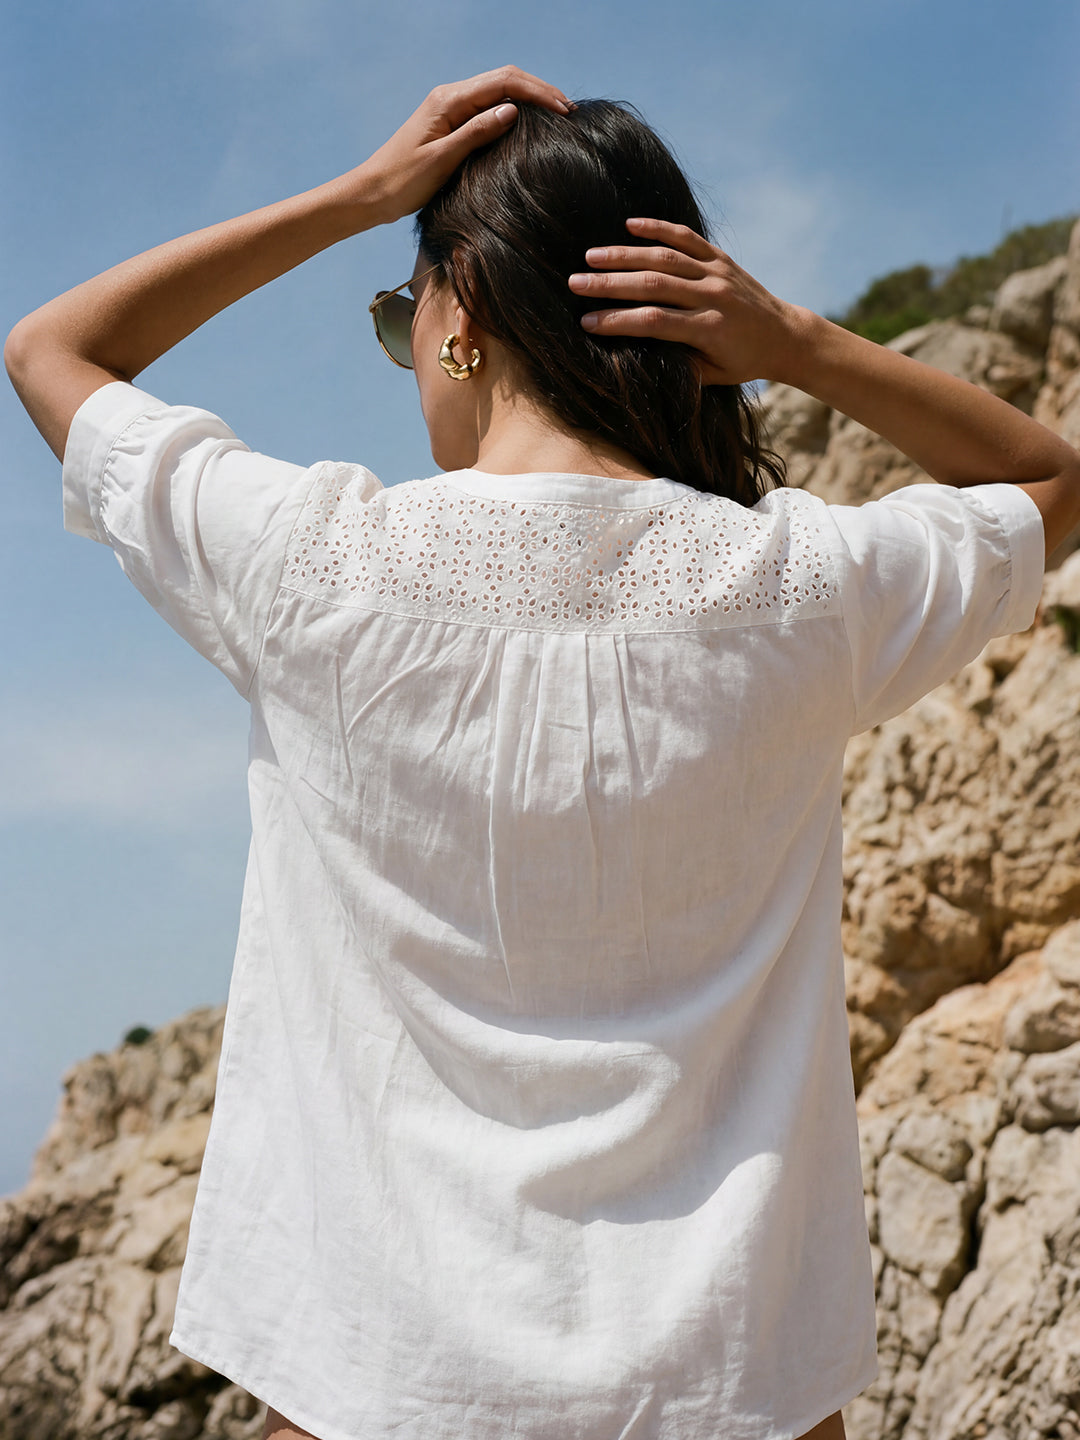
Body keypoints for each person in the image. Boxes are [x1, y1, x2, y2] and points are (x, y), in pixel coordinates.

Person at [6, 64, 1078, 1440]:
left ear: (459, 324)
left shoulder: (314, 565)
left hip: (380, 1391)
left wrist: (361, 199)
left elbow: (52, 351)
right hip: (725, 1389)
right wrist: (796, 342)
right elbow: (1051, 483)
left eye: (410, 319)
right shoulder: (800, 590)